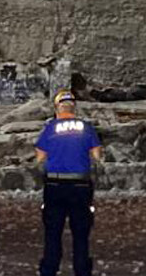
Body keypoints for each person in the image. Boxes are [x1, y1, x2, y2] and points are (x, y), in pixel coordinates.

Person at [36, 89, 103, 276]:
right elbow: (97, 156)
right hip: (80, 185)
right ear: (74, 108)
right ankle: (82, 269)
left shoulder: (50, 128)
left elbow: (40, 157)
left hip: (54, 185)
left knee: (52, 231)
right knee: (81, 232)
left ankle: (49, 268)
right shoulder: (86, 127)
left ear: (57, 108)